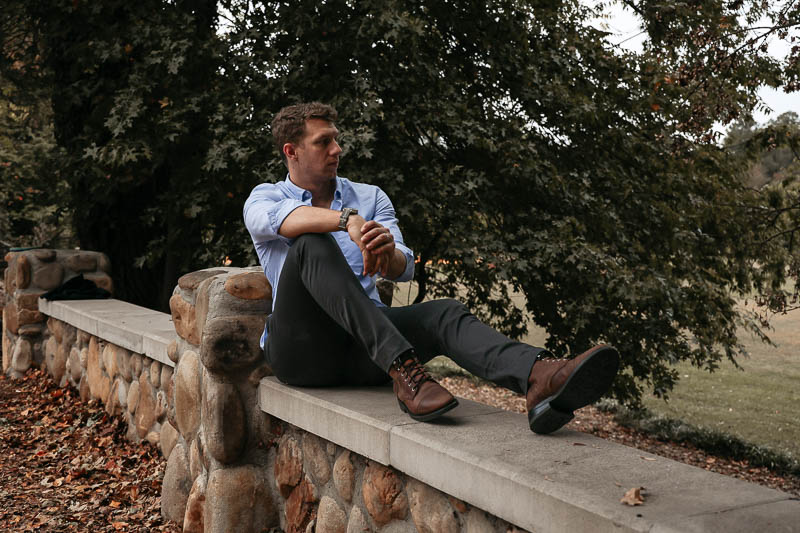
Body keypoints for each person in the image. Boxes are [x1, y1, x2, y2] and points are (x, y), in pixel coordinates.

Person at [243, 102, 619, 434]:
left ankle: (540, 378)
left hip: (365, 350)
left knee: (444, 313)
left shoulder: (370, 197)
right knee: (311, 242)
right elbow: (284, 220)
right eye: (323, 141)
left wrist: (388, 253)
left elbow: (402, 268)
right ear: (291, 151)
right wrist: (345, 221)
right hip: (302, 353)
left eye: (336, 139)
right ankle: (407, 370)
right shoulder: (266, 196)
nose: (337, 149)